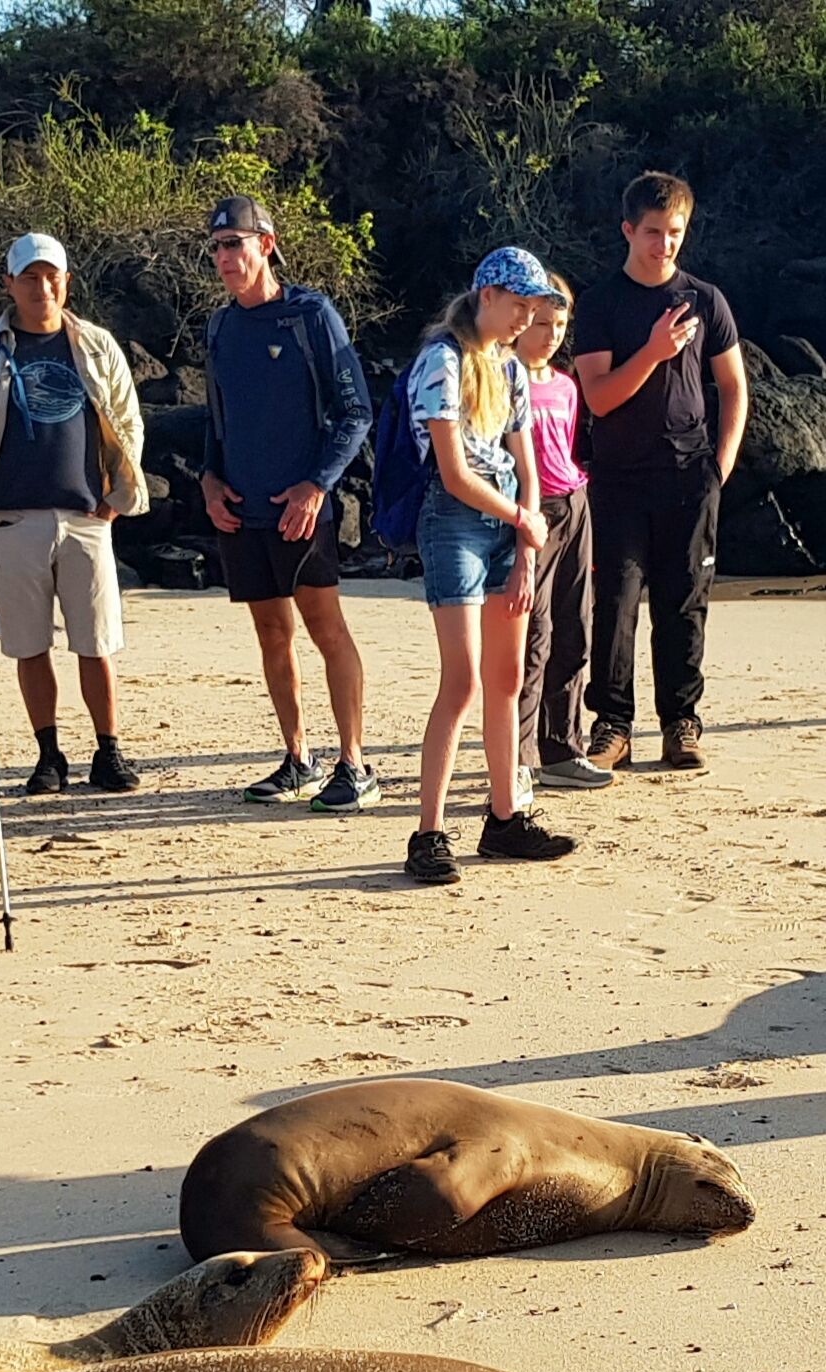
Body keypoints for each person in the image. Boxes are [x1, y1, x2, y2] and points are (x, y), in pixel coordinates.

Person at [0, 233, 148, 798]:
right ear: (9, 283)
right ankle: (48, 755)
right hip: (12, 517)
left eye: (51, 277)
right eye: (29, 277)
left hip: (86, 515)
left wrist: (117, 497)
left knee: (96, 642)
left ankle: (108, 750)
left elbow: (128, 419)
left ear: (66, 282)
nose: (41, 287)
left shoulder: (96, 343)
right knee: (29, 645)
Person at [402, 249, 581, 886]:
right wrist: (522, 519)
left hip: (509, 527)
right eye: (519, 306)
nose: (526, 319)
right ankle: (428, 832)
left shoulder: (510, 366)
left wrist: (526, 548)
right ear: (488, 296)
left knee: (505, 678)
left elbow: (527, 467)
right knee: (462, 682)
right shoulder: (442, 359)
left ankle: (505, 817)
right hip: (455, 524)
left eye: (535, 308)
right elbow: (453, 474)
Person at [199, 195, 381, 812]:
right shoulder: (220, 326)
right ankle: (297, 757)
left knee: (326, 628)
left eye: (235, 244)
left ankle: (354, 764)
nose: (225, 257)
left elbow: (355, 411)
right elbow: (217, 417)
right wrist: (208, 481)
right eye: (217, 248)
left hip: (302, 510)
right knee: (271, 633)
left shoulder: (310, 316)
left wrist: (316, 484)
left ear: (266, 245)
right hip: (241, 510)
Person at [569, 171, 747, 773]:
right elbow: (598, 398)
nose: (664, 244)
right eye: (652, 232)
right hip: (618, 478)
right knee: (615, 603)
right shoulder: (601, 304)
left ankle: (681, 724)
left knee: (684, 602)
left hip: (690, 476)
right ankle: (613, 726)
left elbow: (733, 387)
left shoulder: (706, 299)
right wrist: (652, 351)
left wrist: (720, 467)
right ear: (628, 230)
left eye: (674, 232)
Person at [513, 272, 605, 794]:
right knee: (534, 636)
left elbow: (565, 448)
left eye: (560, 325)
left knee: (576, 628)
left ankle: (562, 747)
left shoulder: (567, 386)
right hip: (533, 512)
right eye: (542, 323)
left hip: (574, 504)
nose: (551, 335)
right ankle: (520, 757)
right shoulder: (505, 380)